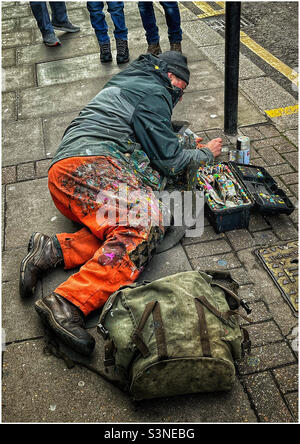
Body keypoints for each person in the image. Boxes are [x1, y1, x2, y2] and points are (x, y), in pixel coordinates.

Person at [19, 51, 222, 356]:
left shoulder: (134, 81)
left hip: (70, 174)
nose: (180, 95)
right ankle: (67, 301)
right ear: (170, 77)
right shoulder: (155, 92)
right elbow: (170, 160)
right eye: (181, 87)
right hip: (87, 167)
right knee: (146, 223)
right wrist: (205, 153)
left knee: (142, 219)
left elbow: (150, 142)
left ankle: (56, 249)